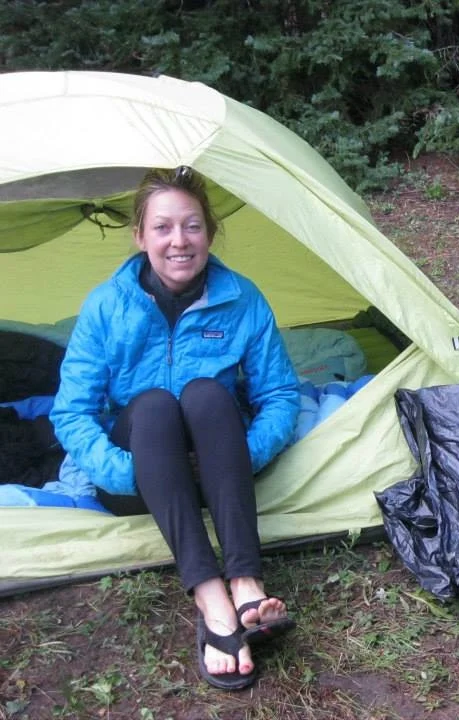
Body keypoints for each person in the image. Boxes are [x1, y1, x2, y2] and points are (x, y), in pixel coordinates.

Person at [50, 166, 300, 691]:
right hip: (139, 476)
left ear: (209, 232)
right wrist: (128, 472)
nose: (179, 241)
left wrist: (239, 456)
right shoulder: (106, 305)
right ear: (140, 236)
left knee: (208, 394)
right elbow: (71, 413)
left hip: (220, 475)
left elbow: (278, 396)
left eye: (192, 226)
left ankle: (246, 582)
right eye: (163, 227)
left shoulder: (242, 298)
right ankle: (211, 596)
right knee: (156, 405)